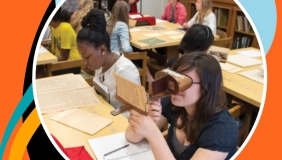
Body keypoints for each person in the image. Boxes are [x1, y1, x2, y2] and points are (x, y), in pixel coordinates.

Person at [125, 52, 239, 160]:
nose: (175, 87)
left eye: (184, 82)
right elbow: (130, 137)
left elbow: (152, 135)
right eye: (173, 79)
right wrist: (146, 117)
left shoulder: (222, 129)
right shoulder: (175, 102)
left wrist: (153, 133)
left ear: (207, 87)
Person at [77, 9, 140, 110]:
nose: (84, 62)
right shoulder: (100, 64)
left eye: (87, 57)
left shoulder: (124, 71)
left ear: (102, 49)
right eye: (82, 57)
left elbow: (135, 111)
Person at [49, 8, 82, 75]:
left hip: (71, 64)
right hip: (60, 63)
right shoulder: (53, 27)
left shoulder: (65, 28)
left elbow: (64, 57)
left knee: (41, 71)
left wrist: (48, 62)